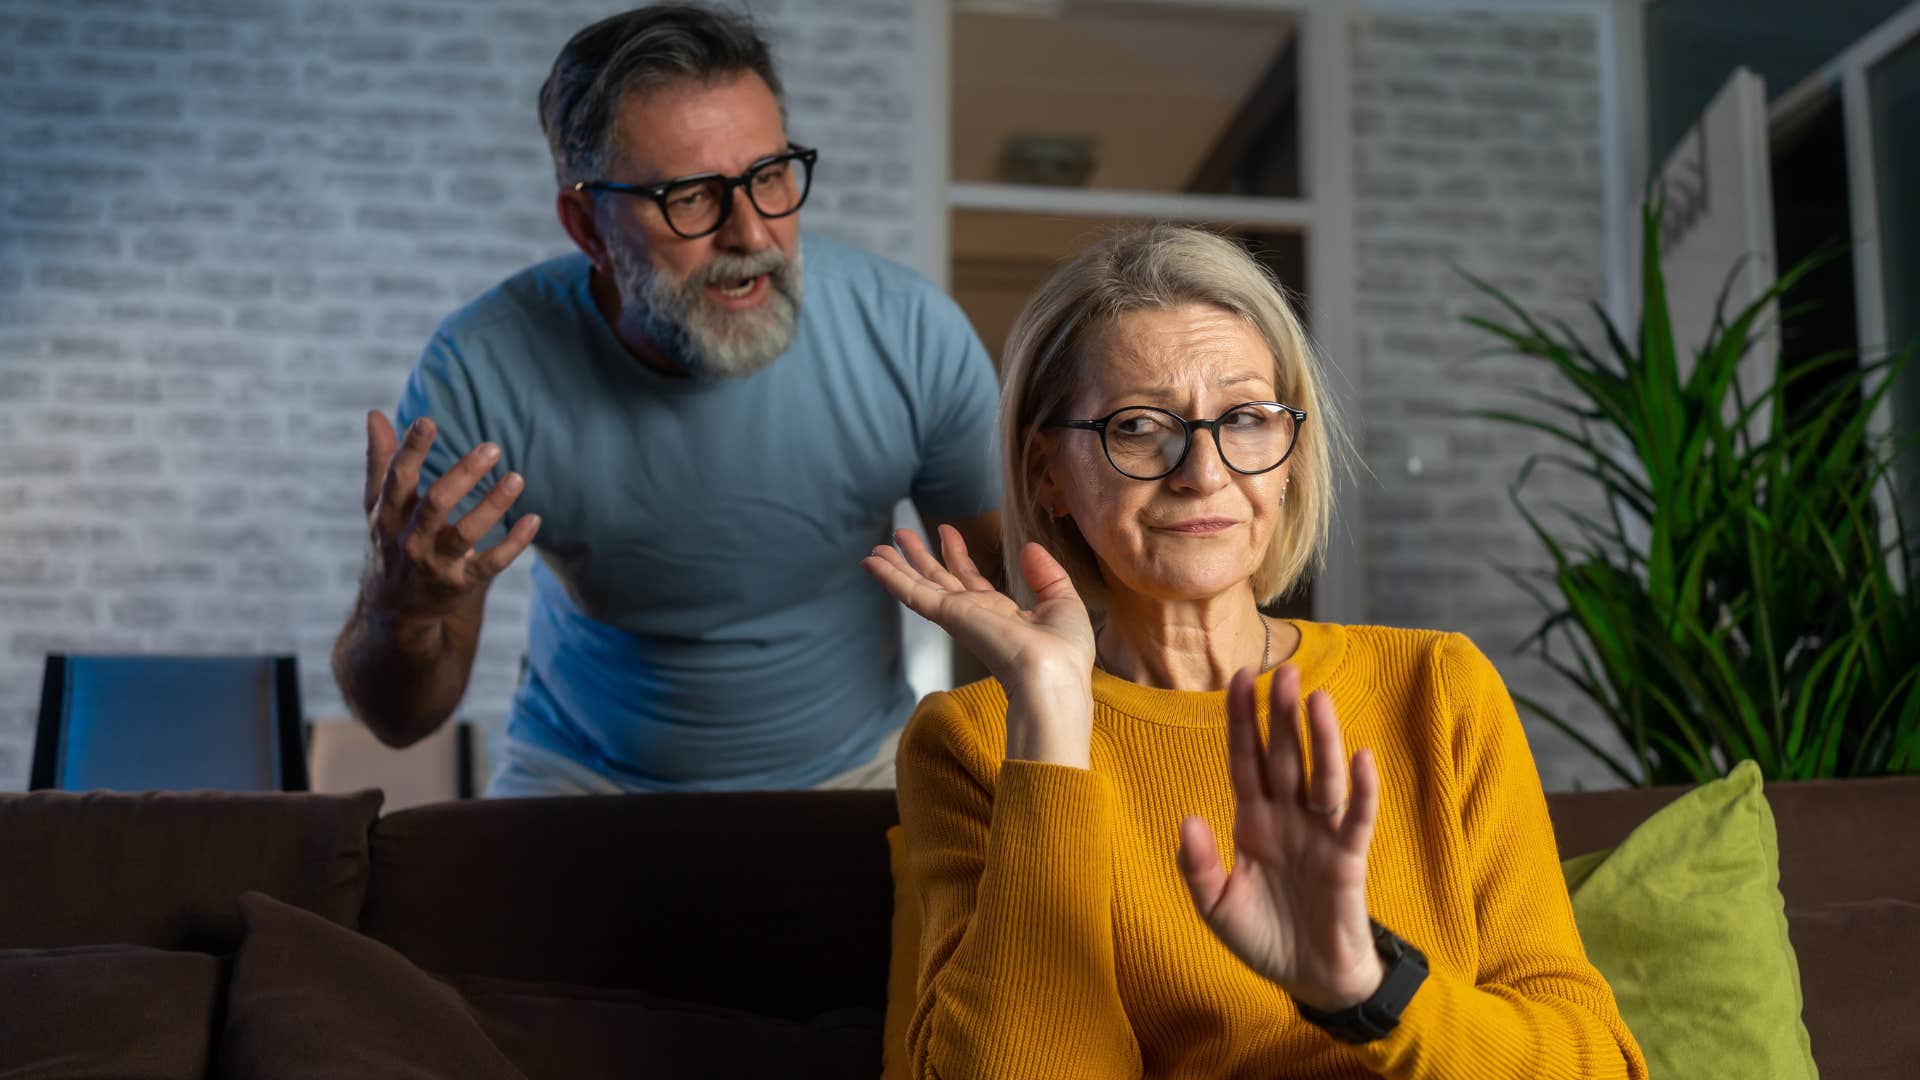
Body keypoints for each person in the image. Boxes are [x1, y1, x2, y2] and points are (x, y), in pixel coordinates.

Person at [862, 225, 1647, 1078]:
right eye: (1138, 426)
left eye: (1244, 418)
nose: (1203, 472)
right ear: (1049, 473)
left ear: (1288, 458)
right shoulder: (974, 741)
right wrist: (1052, 720)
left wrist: (1365, 984)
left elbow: (1594, 1064)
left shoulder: (1437, 687)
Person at [332, 4, 1001, 795]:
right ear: (587, 226)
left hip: (855, 771)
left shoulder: (912, 335)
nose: (751, 234)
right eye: (691, 196)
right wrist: (398, 611)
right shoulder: (481, 368)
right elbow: (403, 721)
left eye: (770, 174)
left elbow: (1027, 615)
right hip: (581, 777)